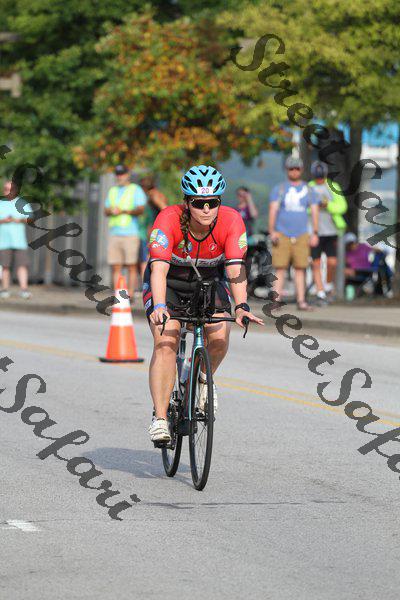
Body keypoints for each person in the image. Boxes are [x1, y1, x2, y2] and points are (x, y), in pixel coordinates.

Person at [143, 165, 264, 443]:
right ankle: (160, 418)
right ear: (187, 203)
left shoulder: (231, 221)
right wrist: (159, 307)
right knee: (166, 340)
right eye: (199, 203)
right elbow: (158, 270)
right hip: (169, 283)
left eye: (213, 202)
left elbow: (235, 268)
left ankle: (199, 379)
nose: (207, 209)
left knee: (220, 335)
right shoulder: (168, 219)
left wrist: (242, 306)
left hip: (208, 282)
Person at [269, 156, 319, 311]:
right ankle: (276, 301)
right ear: (287, 170)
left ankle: (301, 300)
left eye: (297, 168)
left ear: (301, 170)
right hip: (282, 233)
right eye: (291, 168)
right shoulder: (279, 189)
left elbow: (315, 211)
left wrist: (315, 232)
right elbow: (273, 210)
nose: (294, 171)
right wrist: (272, 231)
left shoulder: (309, 190)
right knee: (280, 268)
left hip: (302, 234)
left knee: (300, 268)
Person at [104, 165, 146, 300]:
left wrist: (123, 211)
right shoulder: (113, 190)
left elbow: (140, 209)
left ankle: (130, 294)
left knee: (131, 265)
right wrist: (111, 211)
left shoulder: (135, 189)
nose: (119, 176)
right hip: (115, 233)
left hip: (131, 233)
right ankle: (119, 294)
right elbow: (106, 210)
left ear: (128, 174)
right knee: (115, 265)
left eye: (121, 174)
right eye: (117, 174)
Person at [308, 161, 347, 304]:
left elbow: (342, 206)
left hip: (331, 230)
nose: (319, 179)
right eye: (317, 177)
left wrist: (328, 205)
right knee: (316, 262)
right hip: (314, 231)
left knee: (332, 262)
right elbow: (304, 208)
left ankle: (328, 284)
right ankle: (320, 292)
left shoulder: (333, 187)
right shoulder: (309, 187)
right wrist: (315, 207)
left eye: (321, 177)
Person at [0, 180, 32, 299]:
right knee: (5, 266)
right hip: (3, 242)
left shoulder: (22, 203)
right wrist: (4, 221)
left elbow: (30, 219)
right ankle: (4, 290)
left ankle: (24, 290)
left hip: (19, 241)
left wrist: (20, 220)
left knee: (22, 265)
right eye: (6, 189)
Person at [138, 175, 168, 280]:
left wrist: (156, 228)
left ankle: (147, 283)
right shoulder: (156, 193)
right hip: (156, 229)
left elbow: (164, 209)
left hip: (156, 230)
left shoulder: (153, 195)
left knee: (148, 258)